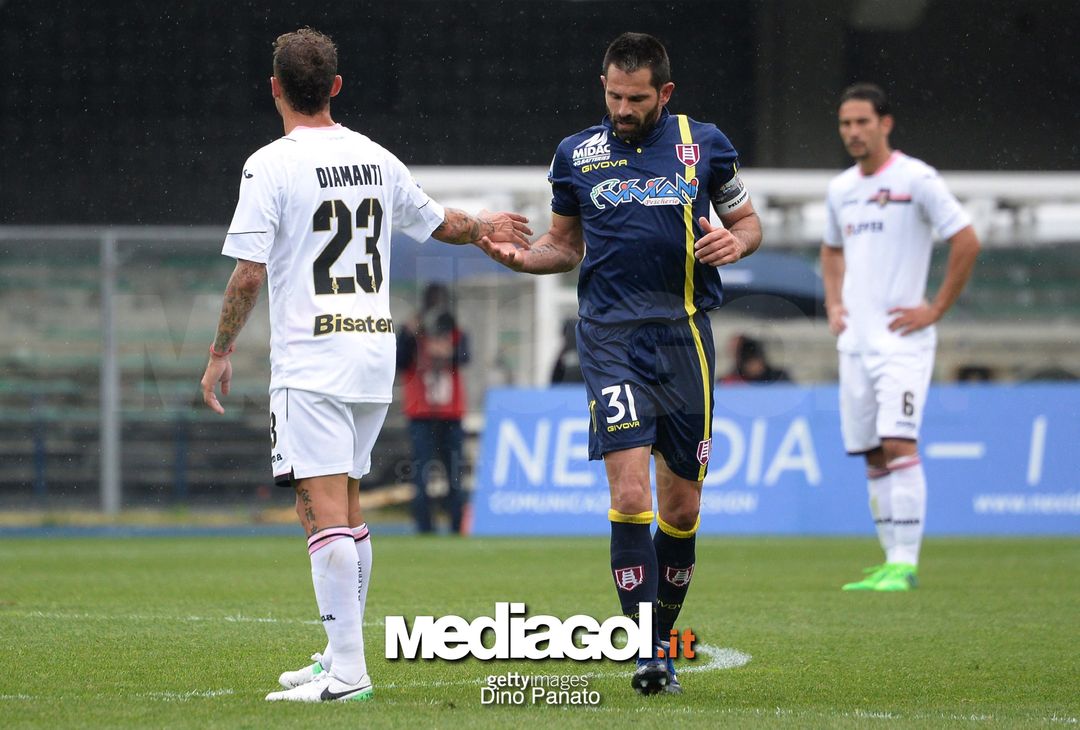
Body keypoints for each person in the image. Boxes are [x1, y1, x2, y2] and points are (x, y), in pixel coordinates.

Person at [198, 28, 530, 703]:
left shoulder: (270, 164)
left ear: (275, 89)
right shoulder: (374, 157)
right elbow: (441, 223)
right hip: (371, 354)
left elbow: (246, 275)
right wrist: (488, 223)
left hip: (313, 359)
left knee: (319, 511)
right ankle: (337, 652)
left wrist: (219, 351)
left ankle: (349, 672)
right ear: (337, 87)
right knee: (344, 504)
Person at [482, 32, 762, 695]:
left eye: (635, 98)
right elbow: (562, 244)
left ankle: (662, 632)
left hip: (684, 335)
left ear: (663, 93)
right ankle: (648, 649)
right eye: (613, 95)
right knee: (630, 493)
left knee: (683, 507)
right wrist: (523, 261)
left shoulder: (706, 144)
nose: (622, 108)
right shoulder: (575, 153)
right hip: (609, 338)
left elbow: (748, 224)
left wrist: (735, 241)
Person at [821, 83, 980, 592]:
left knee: (897, 442)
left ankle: (907, 563)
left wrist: (935, 308)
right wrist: (834, 303)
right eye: (846, 123)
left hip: (902, 342)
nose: (853, 132)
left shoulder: (917, 179)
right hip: (856, 344)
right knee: (871, 452)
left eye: (862, 122)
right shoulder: (840, 188)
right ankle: (891, 560)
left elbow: (966, 239)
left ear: (885, 124)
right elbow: (830, 249)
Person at [396, 282, 470, 534]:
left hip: (451, 412)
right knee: (422, 473)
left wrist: (448, 350)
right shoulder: (412, 332)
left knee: (455, 472)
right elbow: (399, 361)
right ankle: (424, 526)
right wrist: (411, 334)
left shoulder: (455, 331)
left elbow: (464, 357)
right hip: (421, 412)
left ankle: (456, 524)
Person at [719, 334, 791, 384]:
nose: (753, 363)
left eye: (754, 356)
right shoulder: (729, 381)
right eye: (746, 358)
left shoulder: (779, 379)